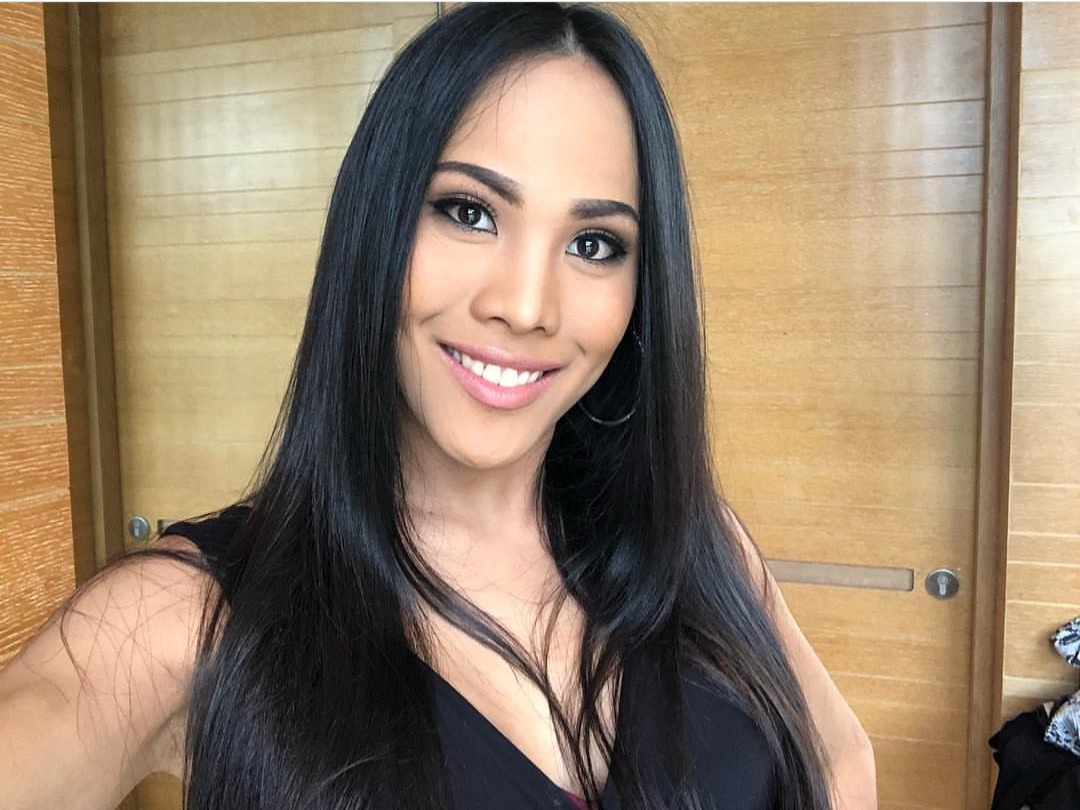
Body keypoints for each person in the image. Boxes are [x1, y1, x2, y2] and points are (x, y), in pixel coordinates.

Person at [0, 4, 876, 809]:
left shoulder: (693, 538)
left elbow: (839, 756)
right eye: (468, 210)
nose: (525, 307)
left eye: (594, 243)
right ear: (378, 223)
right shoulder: (188, 618)